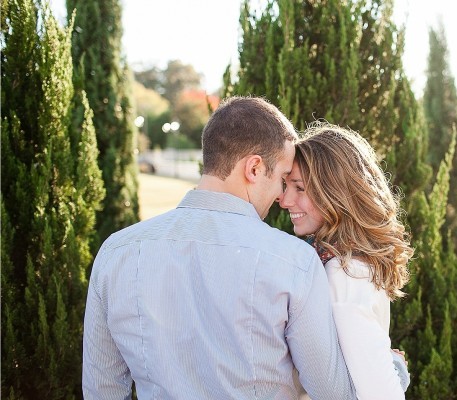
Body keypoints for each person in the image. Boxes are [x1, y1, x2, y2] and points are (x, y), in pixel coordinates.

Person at [82, 96, 357, 399]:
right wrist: (394, 369)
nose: (281, 195)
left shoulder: (116, 252)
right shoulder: (294, 262)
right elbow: (333, 394)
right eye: (281, 178)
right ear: (254, 168)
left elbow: (102, 389)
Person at [279, 123, 413, 400]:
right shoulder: (336, 259)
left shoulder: (346, 272)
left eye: (300, 188)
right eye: (285, 186)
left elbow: (381, 395)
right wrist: (394, 366)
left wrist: (395, 370)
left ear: (336, 192)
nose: (284, 200)